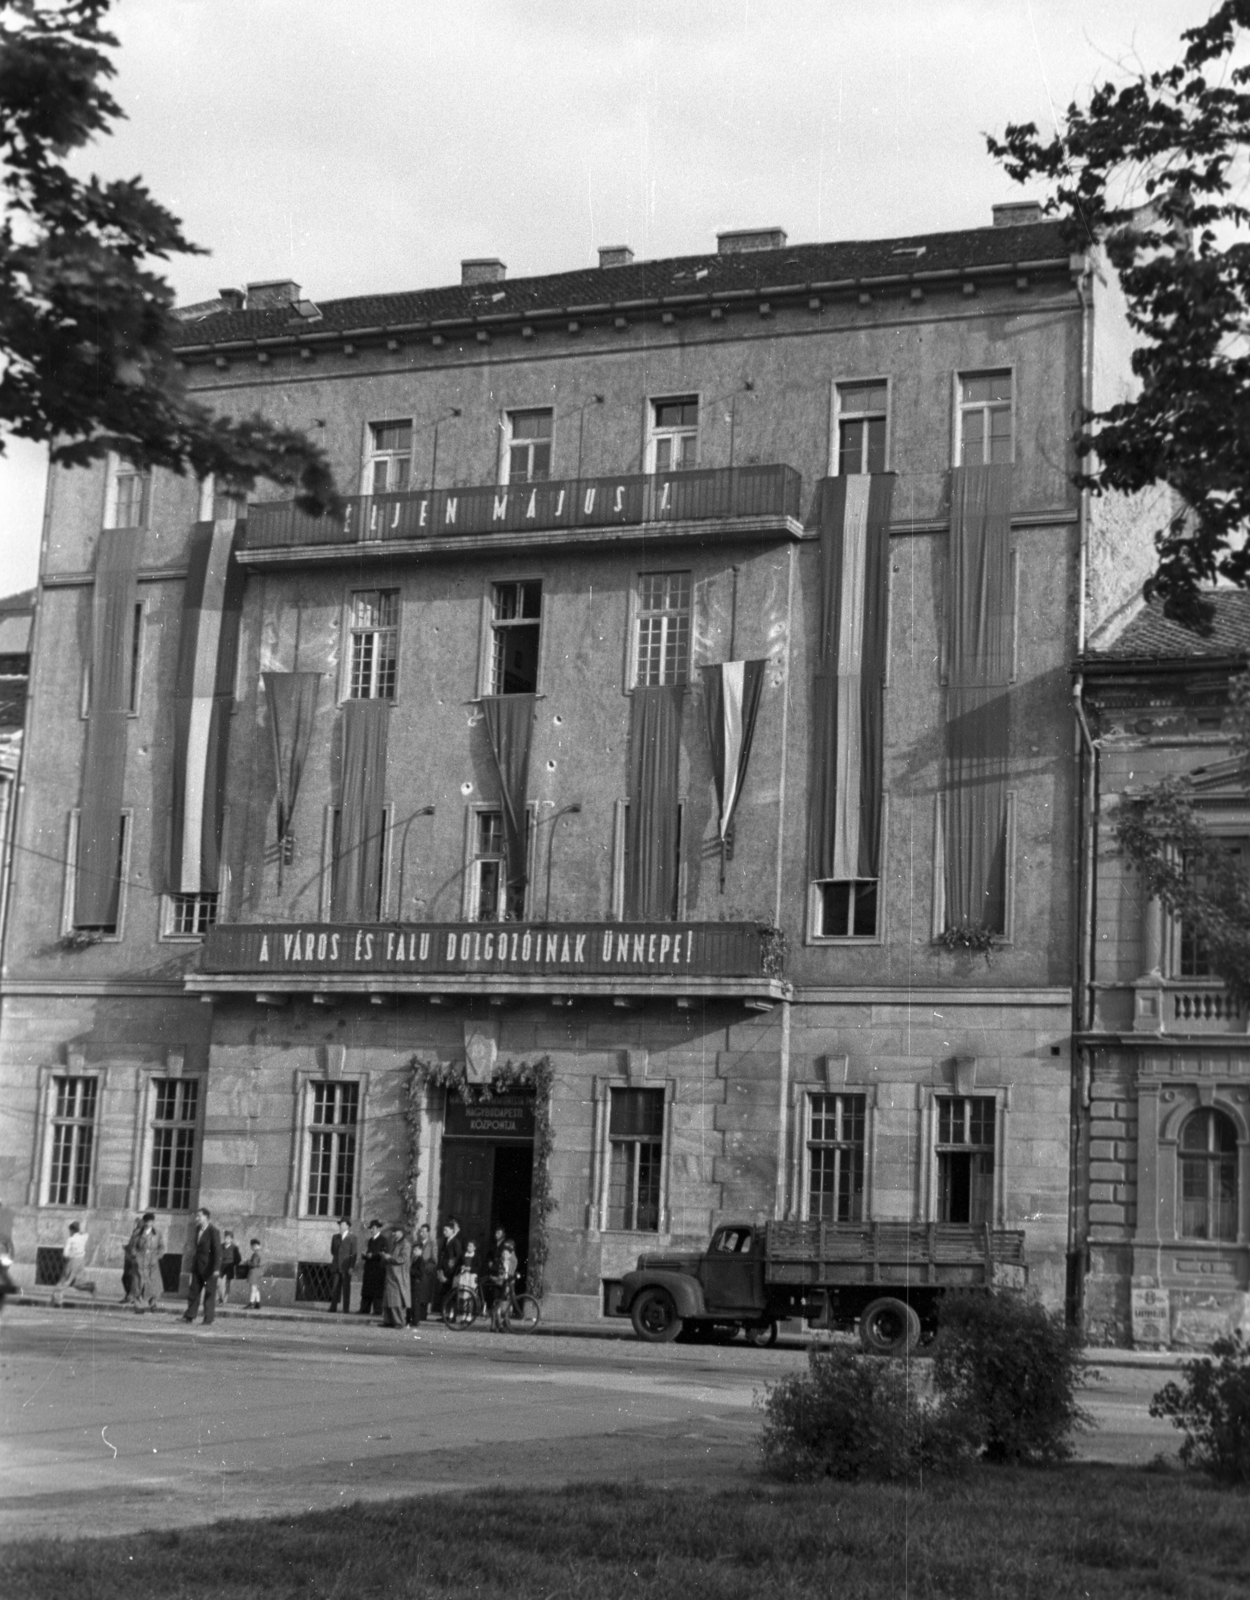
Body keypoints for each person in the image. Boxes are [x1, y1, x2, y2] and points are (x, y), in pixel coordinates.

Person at [183, 1207, 222, 1325]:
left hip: (209, 1268)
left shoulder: (213, 1231)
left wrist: (216, 1269)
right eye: (197, 1216)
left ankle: (208, 1318)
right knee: (193, 1291)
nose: (197, 1218)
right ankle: (189, 1316)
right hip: (197, 1266)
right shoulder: (197, 1229)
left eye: (199, 1216)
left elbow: (218, 1251)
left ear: (206, 1217)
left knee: (209, 1293)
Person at [380, 1224, 412, 1329]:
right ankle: (388, 1320)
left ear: (401, 1232)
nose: (393, 1233)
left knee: (397, 1300)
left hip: (399, 1276)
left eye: (396, 1231)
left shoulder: (406, 1244)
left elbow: (403, 1259)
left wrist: (389, 1257)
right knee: (389, 1299)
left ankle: (399, 1321)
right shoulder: (395, 1243)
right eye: (393, 1231)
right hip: (391, 1274)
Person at [132, 1212, 164, 1312]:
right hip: (140, 1259)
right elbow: (133, 1247)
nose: (148, 1224)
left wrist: (158, 1256)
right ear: (144, 1222)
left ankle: (153, 1303)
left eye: (150, 1222)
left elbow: (161, 1247)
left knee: (153, 1282)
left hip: (152, 1260)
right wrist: (136, 1256)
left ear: (153, 1222)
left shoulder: (157, 1233)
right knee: (139, 1282)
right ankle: (138, 1305)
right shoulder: (137, 1233)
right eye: (146, 1221)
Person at [50, 1221, 88, 1306]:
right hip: (81, 1261)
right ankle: (91, 1287)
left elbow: (65, 1254)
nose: (69, 1233)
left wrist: (70, 1255)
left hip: (73, 1261)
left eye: (69, 1231)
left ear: (72, 1230)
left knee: (63, 1281)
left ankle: (57, 1301)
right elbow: (86, 1233)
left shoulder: (70, 1239)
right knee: (77, 1282)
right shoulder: (84, 1237)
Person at [488, 1236, 519, 1332]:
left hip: (507, 1283)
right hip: (500, 1283)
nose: (504, 1251)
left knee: (506, 1303)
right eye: (504, 1248)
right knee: (497, 1303)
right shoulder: (500, 1259)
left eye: (507, 1247)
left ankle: (505, 1321)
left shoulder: (512, 1258)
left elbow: (511, 1271)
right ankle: (496, 1324)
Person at [409, 1223, 437, 1325]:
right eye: (421, 1231)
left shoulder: (432, 1244)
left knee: (424, 1295)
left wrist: (425, 1268)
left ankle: (422, 1315)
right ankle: (415, 1316)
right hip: (416, 1273)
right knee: (416, 1297)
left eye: (424, 1231)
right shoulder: (416, 1243)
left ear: (428, 1233)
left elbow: (434, 1260)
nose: (422, 1233)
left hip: (425, 1274)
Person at [329, 1217, 357, 1313]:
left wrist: (351, 1267)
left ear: (347, 1226)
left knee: (346, 1288)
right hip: (336, 1266)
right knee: (335, 1287)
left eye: (342, 1224)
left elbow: (353, 1254)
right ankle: (333, 1307)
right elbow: (333, 1251)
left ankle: (346, 1309)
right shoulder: (335, 1237)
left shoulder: (352, 1238)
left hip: (346, 1267)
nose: (340, 1226)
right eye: (340, 1224)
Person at [435, 1217, 463, 1313]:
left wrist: (451, 1273)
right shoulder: (445, 1241)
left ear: (452, 1231)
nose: (444, 1232)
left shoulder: (455, 1242)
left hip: (451, 1273)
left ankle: (451, 1316)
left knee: (451, 1294)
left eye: (446, 1230)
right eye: (443, 1230)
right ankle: (445, 1314)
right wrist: (440, 1270)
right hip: (444, 1272)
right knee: (445, 1294)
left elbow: (458, 1258)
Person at [359, 1220, 386, 1315]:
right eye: (371, 1228)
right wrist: (364, 1254)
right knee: (367, 1290)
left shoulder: (383, 1240)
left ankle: (377, 1310)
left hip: (378, 1269)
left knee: (377, 1291)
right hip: (369, 1268)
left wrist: (373, 1255)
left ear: (378, 1229)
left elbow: (383, 1254)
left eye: (373, 1228)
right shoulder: (370, 1240)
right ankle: (364, 1309)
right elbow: (368, 1251)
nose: (371, 1230)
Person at [218, 1229, 242, 1306]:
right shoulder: (221, 1246)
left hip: (230, 1266)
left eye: (228, 1238)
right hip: (221, 1266)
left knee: (227, 1283)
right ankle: (220, 1298)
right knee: (218, 1283)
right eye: (225, 1238)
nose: (226, 1239)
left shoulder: (234, 1247)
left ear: (231, 1239)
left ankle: (225, 1299)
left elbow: (238, 1258)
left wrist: (234, 1264)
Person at [245, 1238, 263, 1308]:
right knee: (256, 1288)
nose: (253, 1247)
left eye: (255, 1246)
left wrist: (247, 1262)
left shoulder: (255, 1254)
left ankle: (251, 1302)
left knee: (253, 1288)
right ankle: (258, 1302)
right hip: (257, 1272)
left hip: (253, 1272)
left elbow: (254, 1264)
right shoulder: (258, 1254)